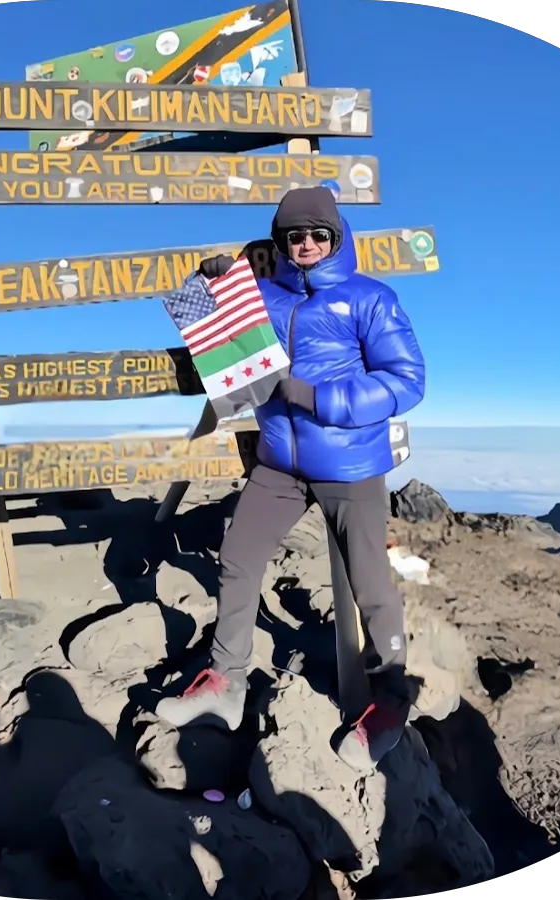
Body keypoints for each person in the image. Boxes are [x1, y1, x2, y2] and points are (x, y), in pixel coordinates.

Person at [154, 186, 427, 771]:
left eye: (317, 235)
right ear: (279, 242)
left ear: (336, 237)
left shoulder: (369, 299)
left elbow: (407, 381)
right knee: (237, 558)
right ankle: (225, 681)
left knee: (370, 584)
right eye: (293, 236)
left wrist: (320, 398)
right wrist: (212, 287)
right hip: (279, 464)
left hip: (350, 467)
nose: (306, 245)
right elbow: (221, 338)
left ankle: (389, 706)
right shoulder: (263, 297)